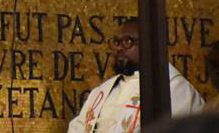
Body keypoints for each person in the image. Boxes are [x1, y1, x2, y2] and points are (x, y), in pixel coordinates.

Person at [68, 19, 204, 133]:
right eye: (116, 42)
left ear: (148, 45)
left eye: (127, 42)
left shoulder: (174, 89)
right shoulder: (102, 91)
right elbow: (77, 128)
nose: (118, 48)